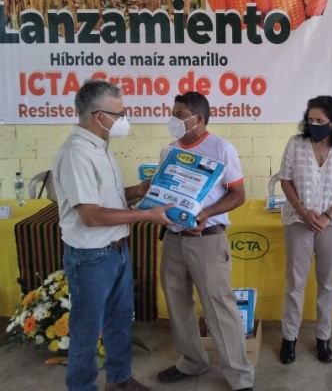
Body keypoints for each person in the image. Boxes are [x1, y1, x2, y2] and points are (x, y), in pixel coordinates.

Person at [52, 79, 174, 391]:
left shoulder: (101, 148)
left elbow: (106, 197)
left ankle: (119, 380)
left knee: (120, 322)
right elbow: (91, 215)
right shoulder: (76, 153)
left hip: (117, 251)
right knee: (86, 331)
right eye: (119, 113)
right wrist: (147, 214)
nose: (124, 119)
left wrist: (139, 190)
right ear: (98, 116)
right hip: (90, 257)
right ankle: (82, 387)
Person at [155, 91, 255, 391]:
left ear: (199, 118)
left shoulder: (221, 149)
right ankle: (192, 362)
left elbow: (238, 194)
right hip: (173, 240)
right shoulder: (168, 150)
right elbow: (163, 191)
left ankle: (239, 375)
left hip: (207, 240)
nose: (174, 120)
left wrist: (207, 213)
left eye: (180, 114)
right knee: (178, 304)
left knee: (219, 307)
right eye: (172, 113)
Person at [277, 95, 332, 365]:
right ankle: (289, 338)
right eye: (311, 119)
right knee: (295, 284)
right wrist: (303, 211)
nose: (314, 124)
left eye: (320, 121)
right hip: (297, 221)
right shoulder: (296, 144)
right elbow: (286, 180)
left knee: (327, 283)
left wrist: (327, 216)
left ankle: (323, 338)